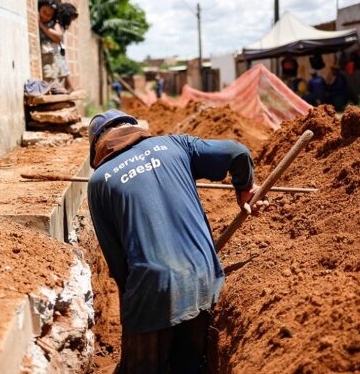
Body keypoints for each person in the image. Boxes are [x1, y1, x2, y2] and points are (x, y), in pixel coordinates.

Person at [87, 110, 267, 374]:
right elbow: (237, 152)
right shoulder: (176, 144)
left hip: (152, 286)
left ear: (98, 148)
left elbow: (116, 262)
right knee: (190, 365)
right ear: (134, 128)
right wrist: (244, 188)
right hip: (205, 274)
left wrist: (135, 311)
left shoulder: (99, 181)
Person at [38, 0, 78, 91]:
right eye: (44, 12)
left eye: (49, 14)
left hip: (53, 55)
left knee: (55, 74)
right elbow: (58, 37)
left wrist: (40, 24)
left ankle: (66, 87)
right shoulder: (55, 23)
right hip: (49, 55)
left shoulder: (53, 24)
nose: (46, 16)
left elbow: (58, 37)